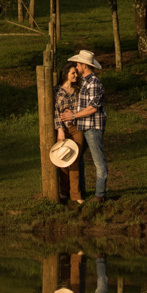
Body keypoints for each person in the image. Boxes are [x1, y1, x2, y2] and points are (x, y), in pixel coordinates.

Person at [59, 50, 107, 201]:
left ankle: (100, 194)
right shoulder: (85, 82)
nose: (76, 67)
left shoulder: (94, 83)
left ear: (84, 66)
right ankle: (81, 190)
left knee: (98, 161)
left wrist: (73, 116)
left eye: (78, 64)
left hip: (92, 127)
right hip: (84, 126)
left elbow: (93, 108)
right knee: (77, 157)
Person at [52, 62, 84, 204]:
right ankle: (64, 191)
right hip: (63, 129)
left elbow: (82, 108)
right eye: (73, 73)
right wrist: (59, 129)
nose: (76, 75)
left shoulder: (78, 90)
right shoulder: (57, 91)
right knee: (63, 160)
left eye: (76, 73)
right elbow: (54, 111)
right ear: (66, 74)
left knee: (75, 160)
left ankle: (76, 195)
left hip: (76, 128)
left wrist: (74, 114)